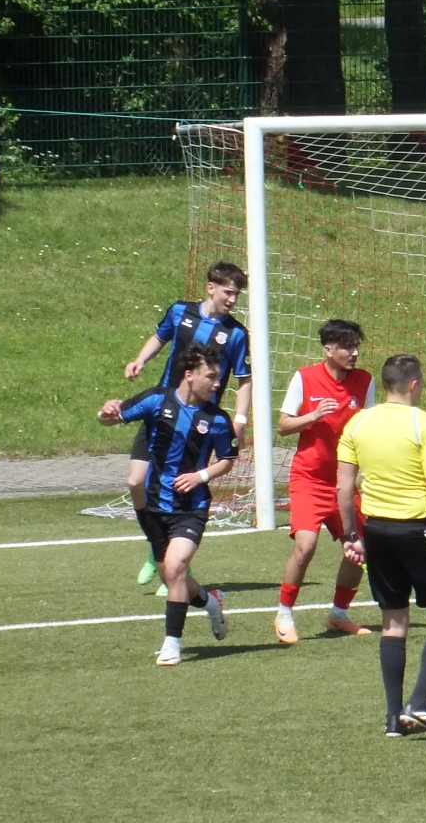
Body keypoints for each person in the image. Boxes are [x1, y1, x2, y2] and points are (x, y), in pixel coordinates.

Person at [337, 353, 426, 737]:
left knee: (393, 622)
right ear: (413, 384)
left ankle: (395, 718)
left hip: (377, 532)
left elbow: (343, 488)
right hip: (417, 531)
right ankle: (420, 702)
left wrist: (351, 535)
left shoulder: (358, 422)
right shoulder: (423, 422)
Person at [96, 342, 234, 665]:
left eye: (218, 377)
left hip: (191, 508)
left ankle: (172, 644)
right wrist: (104, 413)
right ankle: (211, 603)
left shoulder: (216, 419)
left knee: (175, 568)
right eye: (211, 377)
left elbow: (227, 459)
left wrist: (200, 476)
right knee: (172, 578)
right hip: (155, 508)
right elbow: (110, 419)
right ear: (189, 375)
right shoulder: (156, 400)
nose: (217, 384)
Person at [120, 261, 252, 586]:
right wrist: (140, 360)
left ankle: (178, 566)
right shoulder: (180, 312)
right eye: (228, 292)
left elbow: (244, 379)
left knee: (178, 491)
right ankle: (157, 549)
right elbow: (159, 337)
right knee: (136, 482)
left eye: (237, 294)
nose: (232, 299)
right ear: (211, 288)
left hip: (197, 425)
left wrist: (240, 419)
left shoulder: (236, 334)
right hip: (160, 411)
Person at [273, 318, 375, 644]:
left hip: (344, 482)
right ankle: (284, 613)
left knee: (361, 547)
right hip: (308, 479)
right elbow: (283, 426)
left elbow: (370, 429)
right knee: (305, 546)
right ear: (328, 350)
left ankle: (338, 614)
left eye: (356, 347)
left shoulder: (365, 381)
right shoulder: (305, 378)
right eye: (347, 347)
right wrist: (313, 416)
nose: (354, 353)